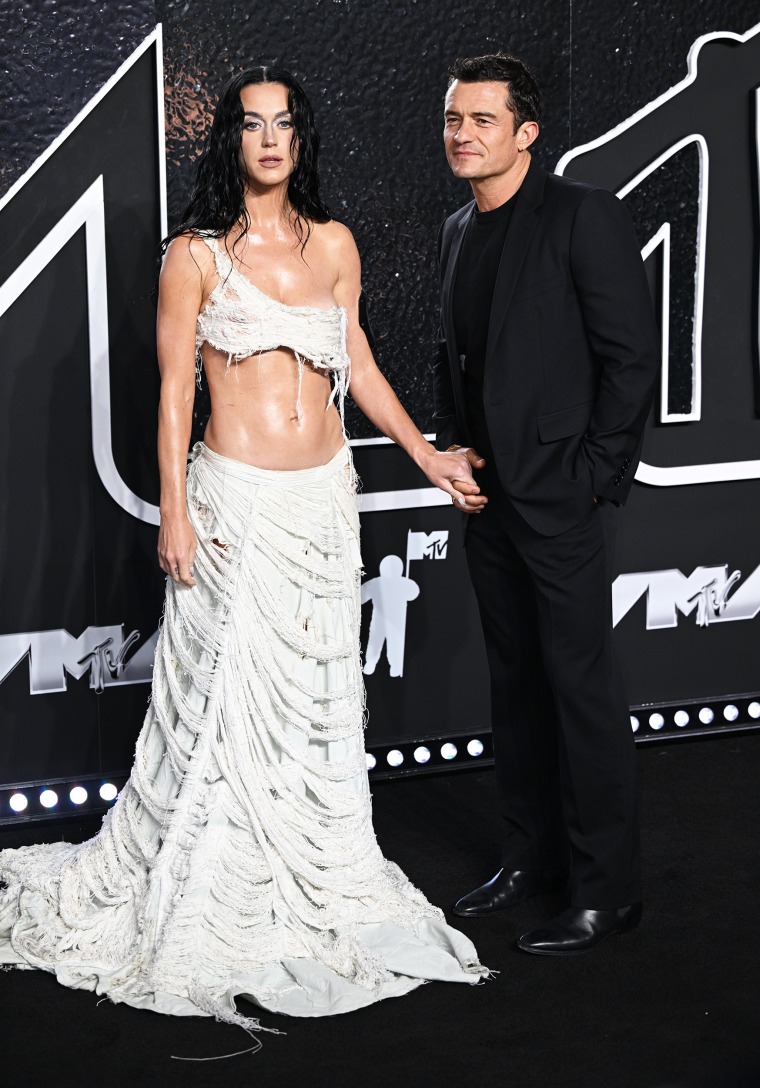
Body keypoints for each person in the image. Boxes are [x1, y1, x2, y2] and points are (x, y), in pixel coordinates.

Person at [0, 67, 488, 1037]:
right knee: (222, 705)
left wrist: (426, 452)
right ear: (230, 141)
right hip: (235, 501)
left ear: (302, 139)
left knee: (310, 700)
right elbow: (175, 391)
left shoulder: (335, 245)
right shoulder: (195, 255)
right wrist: (172, 512)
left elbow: (363, 364)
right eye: (251, 125)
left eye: (284, 125)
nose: (269, 140)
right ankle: (211, 881)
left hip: (320, 504)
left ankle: (306, 872)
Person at [433, 54, 660, 954]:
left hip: (563, 498)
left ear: (526, 133)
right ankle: (529, 859)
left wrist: (598, 475)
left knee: (582, 692)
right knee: (517, 686)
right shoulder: (457, 227)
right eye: (454, 118)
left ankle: (609, 890)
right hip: (489, 499)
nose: (462, 134)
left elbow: (630, 359)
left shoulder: (582, 217)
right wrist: (458, 456)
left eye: (482, 120)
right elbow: (464, 357)